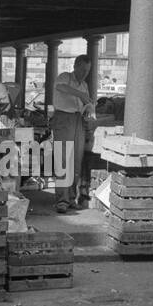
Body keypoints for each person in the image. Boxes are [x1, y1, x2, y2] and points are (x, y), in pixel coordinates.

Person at [51, 55, 95, 213]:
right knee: (64, 159)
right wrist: (80, 94)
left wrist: (89, 107)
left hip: (79, 120)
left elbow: (86, 103)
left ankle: (70, 198)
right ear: (75, 66)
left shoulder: (84, 85)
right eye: (82, 69)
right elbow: (60, 87)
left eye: (87, 71)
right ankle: (61, 200)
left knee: (76, 161)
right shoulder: (65, 77)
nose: (84, 73)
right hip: (63, 118)